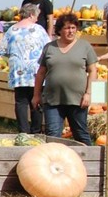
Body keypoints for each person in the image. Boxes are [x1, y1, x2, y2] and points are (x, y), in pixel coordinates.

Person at [33, 13, 98, 144]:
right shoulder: (50, 47)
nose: (71, 31)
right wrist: (36, 95)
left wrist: (88, 93)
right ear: (60, 30)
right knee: (53, 135)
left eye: (73, 28)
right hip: (53, 99)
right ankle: (54, 157)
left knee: (80, 133)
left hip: (77, 100)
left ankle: (90, 156)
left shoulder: (85, 47)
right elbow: (41, 73)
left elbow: (93, 71)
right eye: (67, 28)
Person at [0, 4, 51, 135]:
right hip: (36, 71)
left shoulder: (12, 29)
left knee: (21, 101)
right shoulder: (38, 29)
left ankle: (23, 131)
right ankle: (36, 131)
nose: (37, 19)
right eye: (36, 16)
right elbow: (48, 46)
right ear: (31, 14)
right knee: (36, 99)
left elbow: (2, 50)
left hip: (18, 71)